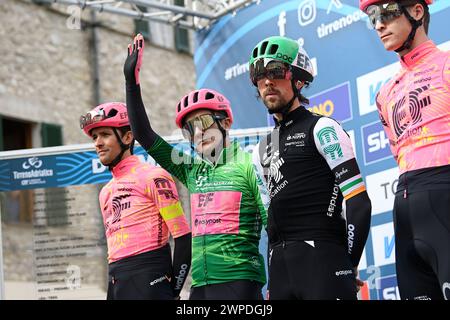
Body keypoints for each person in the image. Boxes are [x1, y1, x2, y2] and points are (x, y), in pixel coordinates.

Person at [123, 34, 268, 300]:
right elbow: (144, 134)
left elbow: (275, 226)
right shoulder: (192, 170)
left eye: (202, 122)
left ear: (225, 123)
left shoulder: (250, 164)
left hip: (240, 284)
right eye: (189, 129)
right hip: (199, 287)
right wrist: (131, 83)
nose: (197, 133)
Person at [249, 36, 372, 300]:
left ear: (299, 79)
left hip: (324, 262)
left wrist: (346, 263)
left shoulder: (322, 128)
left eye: (276, 72)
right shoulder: (261, 149)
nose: (267, 81)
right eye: (259, 75)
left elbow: (359, 202)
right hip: (281, 273)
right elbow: (272, 222)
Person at [360, 0, 450, 300]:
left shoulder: (447, 65)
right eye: (373, 17)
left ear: (417, 11)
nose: (378, 24)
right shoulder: (385, 93)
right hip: (406, 208)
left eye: (386, 12)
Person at [80, 101, 191, 300]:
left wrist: (173, 290)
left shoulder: (154, 176)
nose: (97, 143)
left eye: (105, 134)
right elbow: (114, 252)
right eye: (95, 137)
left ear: (128, 137)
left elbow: (183, 238)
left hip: (150, 279)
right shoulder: (105, 192)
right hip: (116, 281)